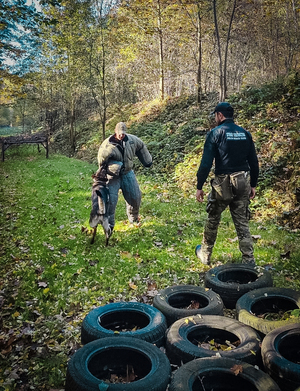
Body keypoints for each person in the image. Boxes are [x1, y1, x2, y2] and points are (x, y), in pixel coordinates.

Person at [195, 102, 259, 265]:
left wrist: (199, 186)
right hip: (242, 181)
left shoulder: (215, 133)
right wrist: (253, 185)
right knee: (242, 221)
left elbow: (206, 163)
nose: (215, 118)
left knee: (213, 218)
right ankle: (248, 259)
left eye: (215, 115)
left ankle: (206, 255)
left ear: (220, 115)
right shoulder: (245, 133)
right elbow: (254, 162)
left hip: (223, 183)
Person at [94, 122, 152, 234]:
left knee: (135, 197)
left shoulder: (132, 140)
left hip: (127, 173)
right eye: (120, 133)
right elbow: (101, 162)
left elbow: (141, 146)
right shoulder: (107, 146)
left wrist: (147, 161)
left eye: (123, 133)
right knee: (110, 201)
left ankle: (134, 220)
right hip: (112, 176)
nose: (121, 135)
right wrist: (106, 172)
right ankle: (109, 227)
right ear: (115, 132)